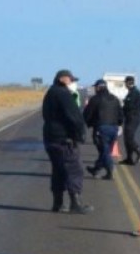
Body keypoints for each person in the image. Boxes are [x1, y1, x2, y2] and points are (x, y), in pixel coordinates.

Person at [41, 69, 93, 214]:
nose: (73, 83)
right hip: (64, 139)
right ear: (63, 79)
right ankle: (75, 203)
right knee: (74, 169)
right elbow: (75, 117)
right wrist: (80, 134)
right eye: (72, 80)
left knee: (58, 171)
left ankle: (57, 203)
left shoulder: (50, 93)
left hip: (50, 137)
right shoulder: (63, 94)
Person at [84, 79, 124, 180]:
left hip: (101, 128)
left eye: (95, 87)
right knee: (106, 151)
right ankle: (96, 169)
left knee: (105, 152)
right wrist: (119, 124)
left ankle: (110, 170)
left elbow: (87, 114)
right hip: (114, 128)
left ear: (98, 87)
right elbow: (120, 114)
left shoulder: (95, 99)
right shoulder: (115, 99)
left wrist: (88, 123)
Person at [119, 75, 140, 165]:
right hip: (129, 117)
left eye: (126, 83)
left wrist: (123, 107)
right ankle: (129, 158)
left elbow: (130, 106)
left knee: (129, 138)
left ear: (129, 83)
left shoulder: (135, 93)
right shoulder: (130, 92)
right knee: (126, 139)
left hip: (133, 117)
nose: (125, 85)